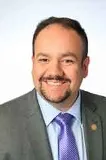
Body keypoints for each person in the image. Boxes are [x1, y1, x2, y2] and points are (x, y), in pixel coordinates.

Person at [0, 16, 106, 160]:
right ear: (33, 63)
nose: (54, 72)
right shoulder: (3, 122)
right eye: (44, 60)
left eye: (67, 60)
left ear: (85, 67)